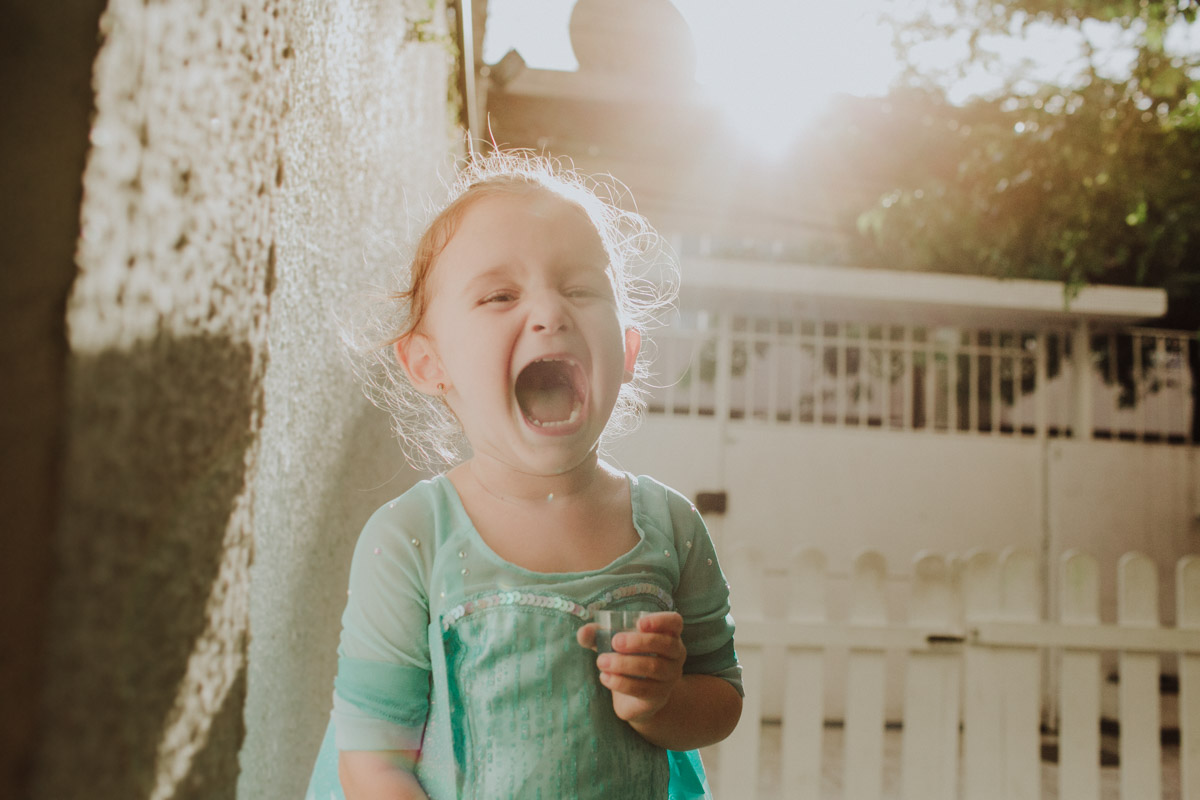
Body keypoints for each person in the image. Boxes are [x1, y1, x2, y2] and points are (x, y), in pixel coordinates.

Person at [306, 152, 743, 800]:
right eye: (500, 295)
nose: (549, 313)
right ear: (429, 363)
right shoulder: (412, 539)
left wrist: (663, 702)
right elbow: (372, 761)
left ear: (625, 350)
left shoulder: (670, 527)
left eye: (579, 289)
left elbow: (722, 699)